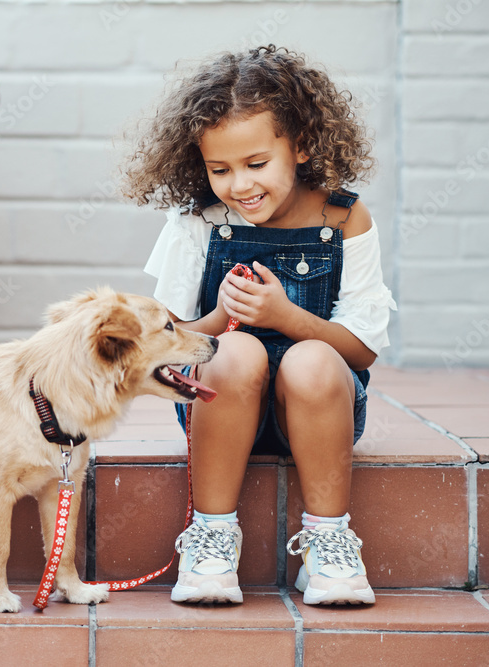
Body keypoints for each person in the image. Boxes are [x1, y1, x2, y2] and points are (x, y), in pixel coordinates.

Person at [121, 45, 396, 606]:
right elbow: (164, 345)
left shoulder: (343, 217)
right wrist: (223, 318)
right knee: (234, 350)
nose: (239, 185)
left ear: (301, 146)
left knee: (313, 357)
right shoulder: (198, 220)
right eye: (219, 169)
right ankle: (213, 535)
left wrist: (286, 318)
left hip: (319, 413)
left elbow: (362, 352)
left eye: (256, 164)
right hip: (222, 406)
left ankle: (329, 542)